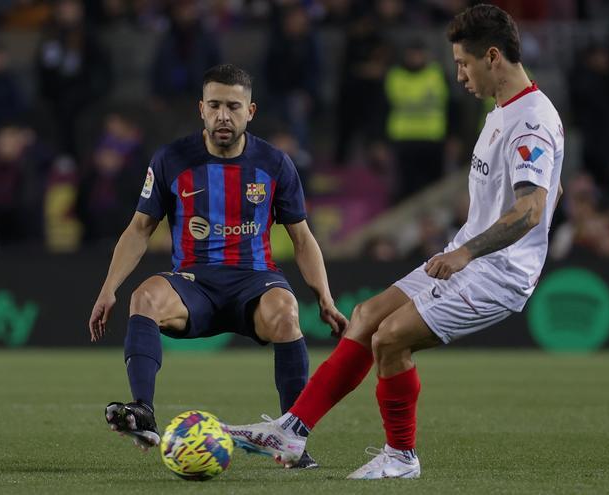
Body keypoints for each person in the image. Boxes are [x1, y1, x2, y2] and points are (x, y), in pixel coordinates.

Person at [226, 4, 565, 480]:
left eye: (463, 64)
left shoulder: (528, 120)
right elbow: (549, 192)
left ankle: (401, 457)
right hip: (468, 257)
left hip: (498, 274)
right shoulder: (502, 113)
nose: (460, 75)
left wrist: (466, 251)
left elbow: (531, 208)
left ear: (493, 57)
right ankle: (292, 428)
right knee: (365, 317)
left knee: (389, 340)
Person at [87, 64, 347, 470]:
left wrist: (325, 299)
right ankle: (143, 411)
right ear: (201, 109)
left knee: (286, 311)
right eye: (214, 105)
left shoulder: (275, 164)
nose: (223, 115)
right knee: (145, 297)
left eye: (233, 106)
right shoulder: (172, 158)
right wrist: (109, 288)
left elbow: (302, 238)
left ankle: (293, 436)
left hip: (254, 282)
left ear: (251, 111)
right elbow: (139, 229)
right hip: (195, 284)